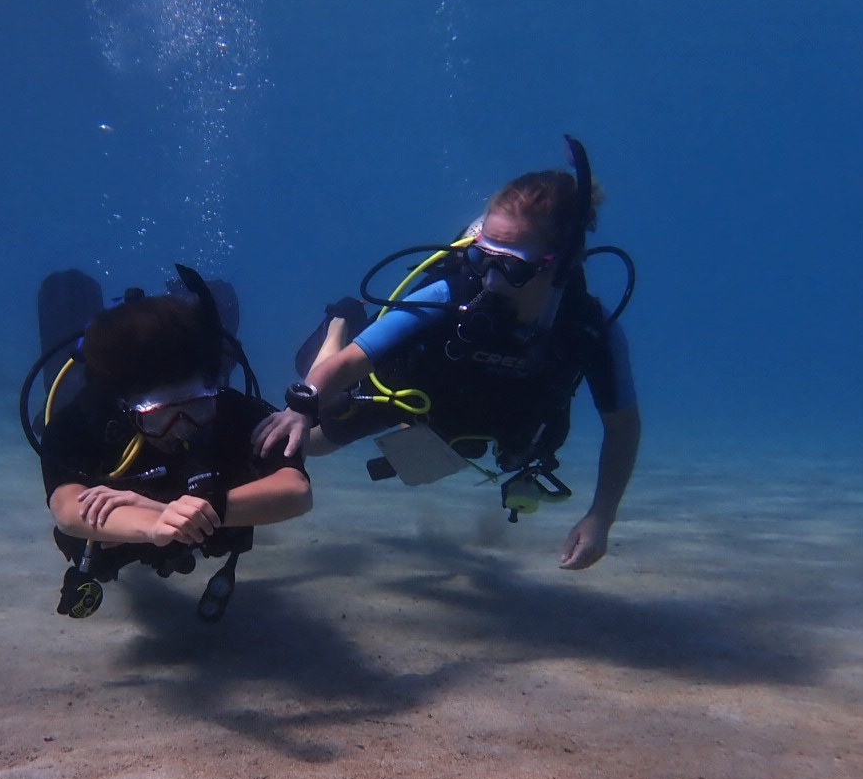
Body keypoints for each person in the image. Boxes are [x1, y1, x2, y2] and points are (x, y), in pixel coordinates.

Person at [252, 136, 639, 571]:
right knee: (311, 443)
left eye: (511, 266)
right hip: (413, 390)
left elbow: (622, 428)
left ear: (560, 264)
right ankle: (341, 319)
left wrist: (601, 517)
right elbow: (352, 362)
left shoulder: (589, 328)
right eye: (481, 258)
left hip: (487, 421)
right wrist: (299, 410)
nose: (489, 281)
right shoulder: (453, 291)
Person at [29, 264, 312, 621]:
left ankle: (203, 307)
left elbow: (297, 491)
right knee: (64, 388)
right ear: (128, 409)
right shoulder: (82, 421)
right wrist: (157, 524)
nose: (182, 428)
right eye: (162, 415)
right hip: (124, 532)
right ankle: (72, 299)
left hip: (201, 513)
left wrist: (182, 510)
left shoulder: (230, 408)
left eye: (197, 408)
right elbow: (68, 513)